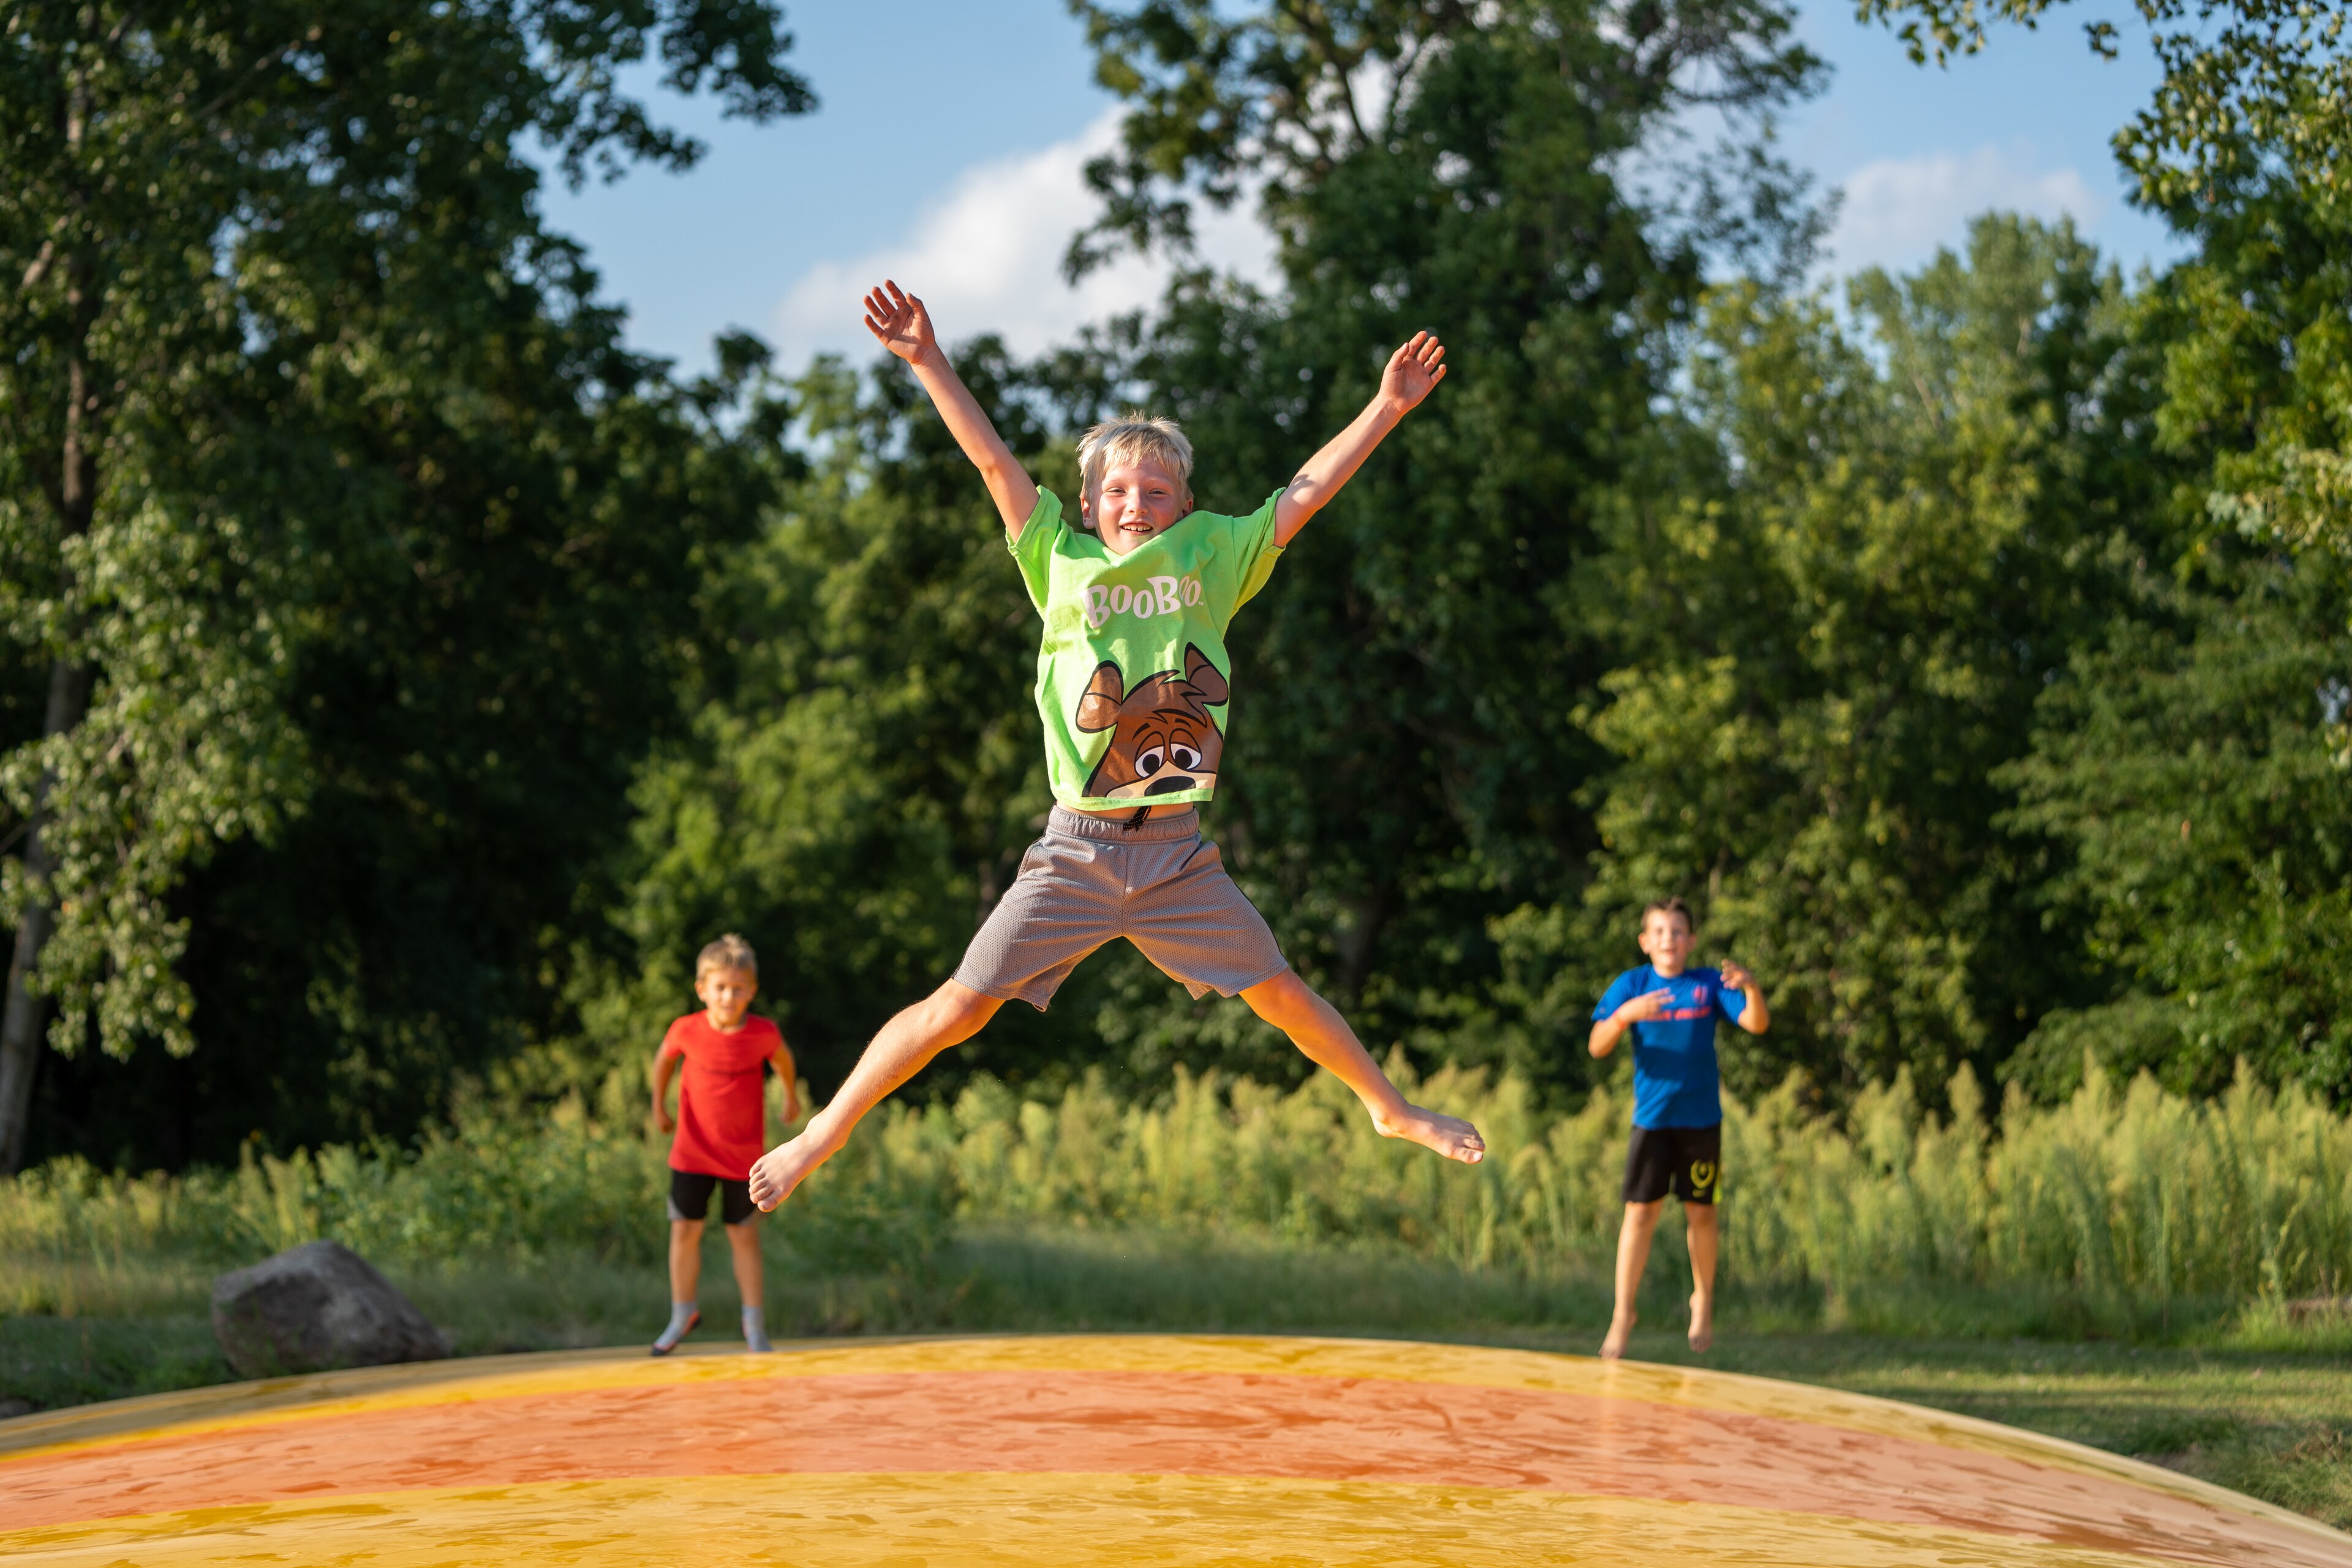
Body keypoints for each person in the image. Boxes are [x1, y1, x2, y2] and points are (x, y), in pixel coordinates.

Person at [747, 278, 1485, 1216]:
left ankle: (1388, 1109)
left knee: (1283, 993)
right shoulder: (1058, 558)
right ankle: (825, 1131)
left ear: (1183, 507)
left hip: (1177, 854)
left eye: (1158, 491)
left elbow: (1304, 493)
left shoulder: (1213, 558)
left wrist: (1384, 408)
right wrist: (930, 361)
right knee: (957, 1008)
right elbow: (992, 466)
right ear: (1092, 502)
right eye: (1120, 490)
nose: (1138, 503)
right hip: (1078, 850)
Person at [1588, 897, 1770, 1359]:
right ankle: (1622, 1315)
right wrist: (1625, 1015)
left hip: (1702, 1123)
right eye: (1660, 931)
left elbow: (1756, 1023)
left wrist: (1751, 988)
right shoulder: (1632, 984)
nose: (1669, 939)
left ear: (1690, 940)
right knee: (1640, 1215)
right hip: (1652, 1122)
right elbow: (1597, 1046)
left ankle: (1703, 1298)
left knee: (1701, 1213)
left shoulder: (1707, 984)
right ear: (1646, 942)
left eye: (1677, 931)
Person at [650, 933, 797, 1355]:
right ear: (702, 989)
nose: (728, 997)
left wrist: (790, 1096)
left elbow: (784, 1059)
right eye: (720, 988)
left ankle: (754, 1325)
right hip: (692, 1153)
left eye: (738, 988)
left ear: (751, 991)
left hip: (744, 1160)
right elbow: (663, 1060)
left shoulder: (763, 1033)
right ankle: (682, 1315)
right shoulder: (686, 1029)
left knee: (744, 1236)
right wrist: (658, 1106)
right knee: (684, 1231)